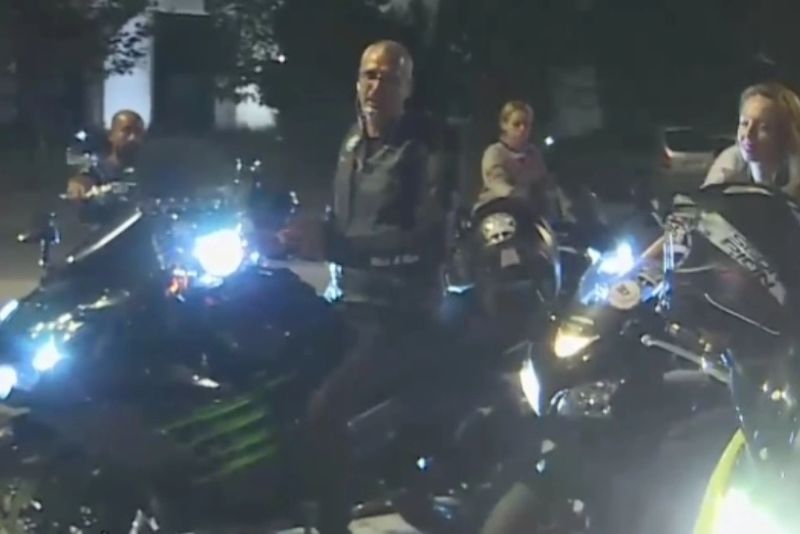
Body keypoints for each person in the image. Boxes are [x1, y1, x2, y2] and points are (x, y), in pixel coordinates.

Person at [278, 40, 458, 534]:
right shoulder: (352, 141)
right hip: (349, 302)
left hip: (400, 312)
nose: (376, 87)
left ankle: (332, 522)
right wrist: (294, 231)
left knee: (324, 411)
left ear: (408, 88)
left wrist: (340, 246)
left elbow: (429, 240)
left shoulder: (426, 148)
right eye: (369, 75)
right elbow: (341, 221)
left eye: (390, 78)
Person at [703, 82, 800, 201]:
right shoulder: (729, 162)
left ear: (786, 134)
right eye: (744, 123)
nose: (748, 134)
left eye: (763, 128)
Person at [474, 100, 556, 217]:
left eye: (526, 124)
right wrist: (516, 193)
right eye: (516, 124)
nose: (522, 129)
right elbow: (496, 182)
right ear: (504, 125)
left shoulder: (533, 153)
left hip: (527, 212)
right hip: (495, 211)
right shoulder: (495, 152)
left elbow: (543, 181)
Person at [66, 110, 147, 199]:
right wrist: (79, 186)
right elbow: (83, 180)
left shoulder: (148, 171)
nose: (133, 138)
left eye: (138, 132)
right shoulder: (97, 169)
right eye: (126, 131)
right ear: (111, 135)